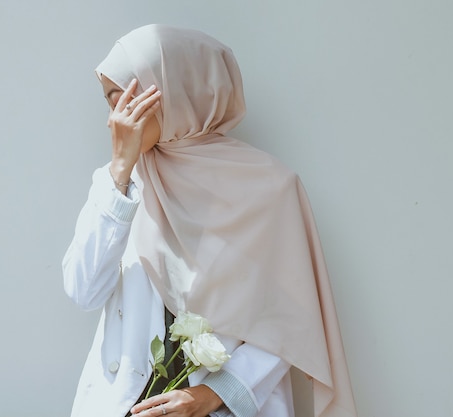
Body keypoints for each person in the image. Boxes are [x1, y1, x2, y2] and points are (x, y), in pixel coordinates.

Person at [62, 24, 357, 417]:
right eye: (110, 103)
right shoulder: (120, 182)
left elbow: (289, 319)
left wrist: (215, 394)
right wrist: (119, 171)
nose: (115, 119)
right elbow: (83, 291)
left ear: (174, 90)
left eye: (125, 99)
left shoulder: (269, 187)